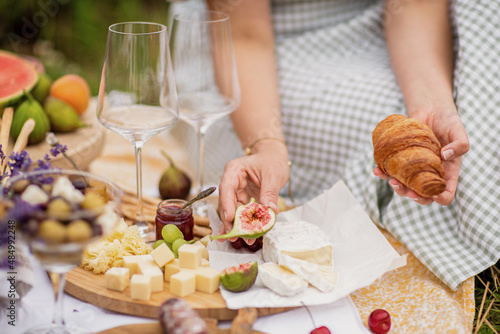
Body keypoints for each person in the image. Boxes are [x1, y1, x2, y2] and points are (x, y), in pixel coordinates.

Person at [204, 0, 499, 290]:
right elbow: (244, 35)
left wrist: (430, 108)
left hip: (382, 31)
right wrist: (267, 146)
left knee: (471, 111)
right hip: (274, 45)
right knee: (372, 116)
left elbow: (413, 5)